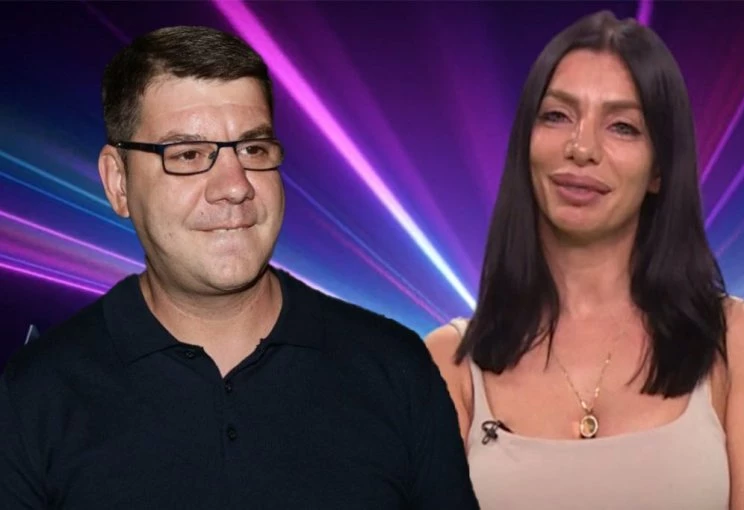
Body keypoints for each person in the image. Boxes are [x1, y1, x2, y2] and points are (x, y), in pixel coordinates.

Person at [0, 26, 478, 510]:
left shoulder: (396, 368)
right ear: (118, 182)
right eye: (188, 154)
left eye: (253, 149)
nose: (235, 186)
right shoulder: (34, 395)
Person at [426, 10, 744, 510]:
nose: (581, 148)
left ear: (659, 169)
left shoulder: (740, 343)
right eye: (557, 116)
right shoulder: (447, 365)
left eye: (623, 126)